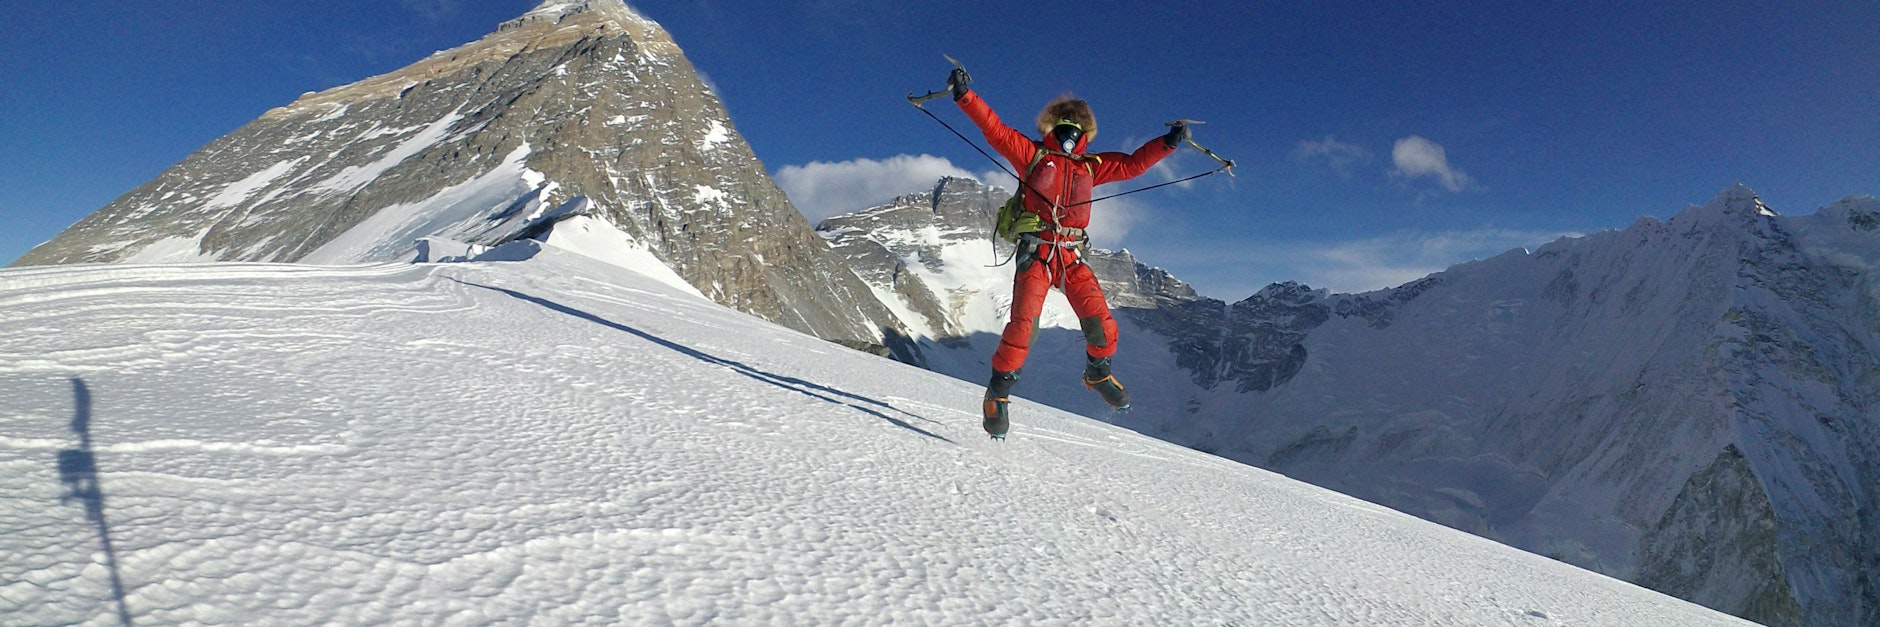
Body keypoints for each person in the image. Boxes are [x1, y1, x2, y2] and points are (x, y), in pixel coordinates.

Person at [947, 67, 1188, 438]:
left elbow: (1134, 164)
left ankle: (1097, 373)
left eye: (1076, 125)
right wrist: (965, 96)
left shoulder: (1091, 166)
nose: (1070, 131)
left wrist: (1168, 143)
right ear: (1052, 125)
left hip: (1071, 255)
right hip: (1038, 253)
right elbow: (993, 129)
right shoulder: (1032, 154)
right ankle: (998, 392)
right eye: (1065, 123)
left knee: (1101, 322)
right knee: (1024, 326)